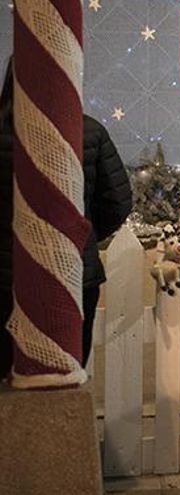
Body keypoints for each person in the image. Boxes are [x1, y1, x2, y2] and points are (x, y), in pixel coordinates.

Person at [0, 56, 132, 379]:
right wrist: (81, 237)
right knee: (66, 372)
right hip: (73, 274)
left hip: (6, 274)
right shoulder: (91, 132)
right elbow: (116, 202)